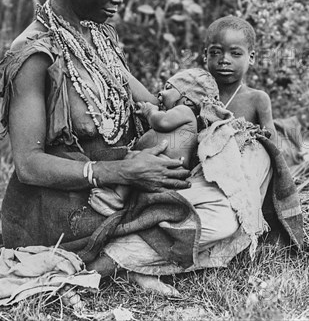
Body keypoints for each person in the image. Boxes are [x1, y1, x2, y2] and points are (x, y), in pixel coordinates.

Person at [0, 0, 192, 291]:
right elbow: (28, 165)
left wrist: (193, 100)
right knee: (203, 220)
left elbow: (147, 102)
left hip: (119, 190)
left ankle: (128, 254)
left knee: (199, 156)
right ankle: (118, 264)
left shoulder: (98, 36)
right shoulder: (33, 53)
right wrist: (117, 174)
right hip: (62, 209)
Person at [89, 68, 240, 248]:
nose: (161, 92)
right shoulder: (181, 114)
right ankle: (121, 201)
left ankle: (116, 199)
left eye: (168, 88)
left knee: (134, 158)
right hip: (168, 167)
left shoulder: (184, 111)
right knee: (134, 158)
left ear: (187, 98)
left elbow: (161, 122)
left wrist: (149, 111)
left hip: (169, 165)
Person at [203, 15, 279, 147]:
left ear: (251, 57)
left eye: (236, 53)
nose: (224, 60)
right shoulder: (197, 95)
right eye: (215, 52)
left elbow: (274, 150)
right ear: (206, 55)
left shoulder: (257, 99)